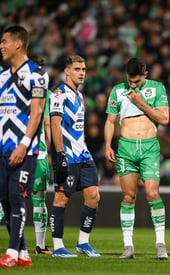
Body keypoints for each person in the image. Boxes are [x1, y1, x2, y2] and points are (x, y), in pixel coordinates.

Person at [104, 57, 169, 260]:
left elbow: (164, 119)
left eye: (137, 82)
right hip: (126, 148)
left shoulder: (157, 88)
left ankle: (160, 243)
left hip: (149, 147)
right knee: (128, 197)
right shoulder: (117, 91)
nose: (132, 85)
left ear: (145, 75)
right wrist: (107, 145)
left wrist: (141, 103)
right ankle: (128, 245)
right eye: (130, 81)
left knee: (152, 193)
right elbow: (110, 121)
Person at [0, 25, 49, 268]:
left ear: (18, 43)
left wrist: (24, 144)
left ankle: (10, 252)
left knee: (17, 197)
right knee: (5, 201)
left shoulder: (37, 74)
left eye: (4, 41)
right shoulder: (1, 76)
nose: (1, 46)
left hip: (24, 149)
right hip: (2, 149)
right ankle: (23, 253)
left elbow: (37, 112)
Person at [49, 55, 100, 258]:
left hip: (83, 154)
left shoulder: (79, 95)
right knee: (61, 199)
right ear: (67, 71)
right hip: (67, 155)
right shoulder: (59, 93)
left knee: (94, 197)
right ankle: (58, 246)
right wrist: (60, 154)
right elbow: (55, 124)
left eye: (84, 69)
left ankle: (83, 243)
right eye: (77, 69)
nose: (82, 73)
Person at [28, 55, 52, 255]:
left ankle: (39, 245)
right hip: (35, 151)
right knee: (38, 199)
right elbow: (46, 123)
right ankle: (39, 245)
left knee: (9, 198)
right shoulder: (46, 93)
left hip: (30, 151)